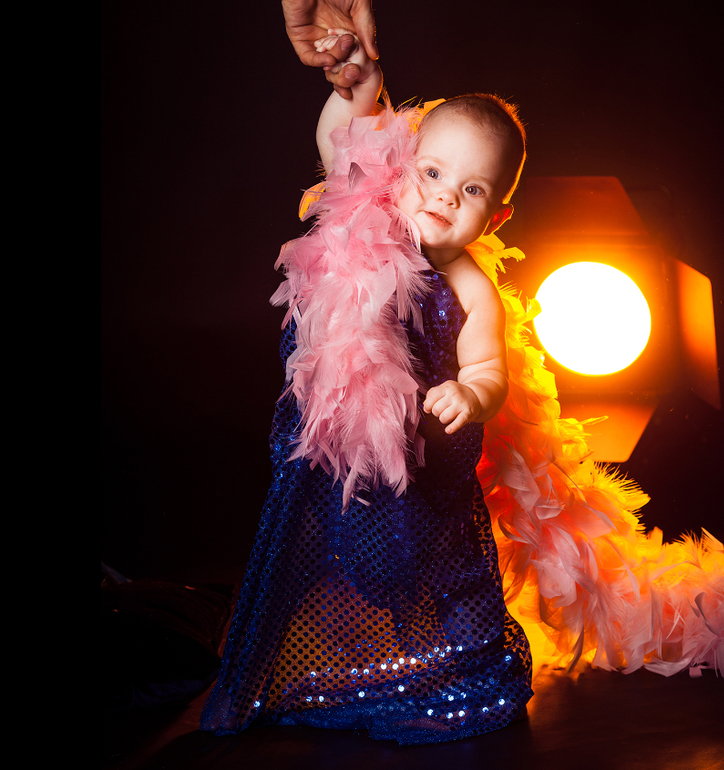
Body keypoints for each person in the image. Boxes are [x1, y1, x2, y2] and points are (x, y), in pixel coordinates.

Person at [200, 28, 535, 744]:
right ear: (403, 165)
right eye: (433, 173)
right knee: (318, 548)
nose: (444, 197)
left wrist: (472, 395)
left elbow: (488, 371)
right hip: (331, 446)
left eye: (473, 189)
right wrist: (356, 91)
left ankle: (449, 666)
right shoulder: (368, 217)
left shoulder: (473, 289)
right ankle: (319, 663)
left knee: (437, 564)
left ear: (498, 216)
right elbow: (340, 138)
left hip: (425, 466)